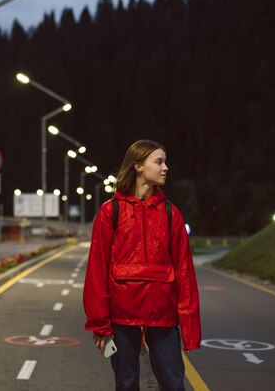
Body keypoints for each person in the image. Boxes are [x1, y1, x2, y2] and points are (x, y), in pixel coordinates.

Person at [83, 139, 201, 391]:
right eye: (158, 161)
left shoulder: (171, 213)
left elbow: (184, 272)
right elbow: (97, 270)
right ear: (138, 166)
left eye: (165, 162)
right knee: (126, 383)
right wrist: (100, 323)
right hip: (122, 316)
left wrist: (189, 326)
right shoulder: (110, 211)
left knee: (173, 383)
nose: (165, 167)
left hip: (163, 315)